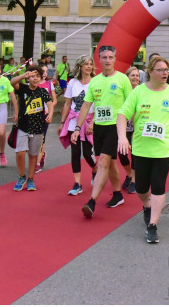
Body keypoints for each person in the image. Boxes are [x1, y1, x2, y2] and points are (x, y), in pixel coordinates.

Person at [117, 56, 169, 243]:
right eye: (160, 70)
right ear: (150, 71)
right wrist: (121, 137)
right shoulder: (139, 92)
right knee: (142, 187)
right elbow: (122, 114)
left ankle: (152, 225)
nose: (165, 73)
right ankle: (146, 205)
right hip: (141, 148)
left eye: (167, 70)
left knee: (158, 185)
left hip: (164, 149)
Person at [73, 45, 132, 217]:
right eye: (104, 57)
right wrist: (78, 127)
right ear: (100, 59)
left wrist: (135, 128)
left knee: (103, 162)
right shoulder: (95, 81)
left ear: (115, 59)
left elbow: (132, 104)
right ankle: (117, 193)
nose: (107, 60)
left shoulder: (122, 79)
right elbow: (86, 105)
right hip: (99, 127)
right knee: (111, 162)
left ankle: (91, 201)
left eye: (110, 57)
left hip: (116, 126)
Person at [58, 56, 97, 196]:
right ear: (80, 66)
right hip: (73, 120)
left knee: (87, 153)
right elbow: (68, 103)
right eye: (86, 64)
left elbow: (99, 104)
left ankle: (95, 169)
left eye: (91, 64)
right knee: (75, 153)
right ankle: (77, 183)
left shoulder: (96, 82)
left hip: (89, 121)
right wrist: (62, 123)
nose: (89, 66)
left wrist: (93, 123)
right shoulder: (73, 83)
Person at [9, 67, 53, 191]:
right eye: (33, 76)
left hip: (38, 127)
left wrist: (50, 113)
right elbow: (12, 83)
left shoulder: (42, 91)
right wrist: (23, 75)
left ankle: (31, 179)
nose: (35, 78)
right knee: (20, 152)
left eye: (37, 76)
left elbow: (50, 103)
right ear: (28, 77)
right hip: (23, 127)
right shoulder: (22, 88)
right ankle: (22, 176)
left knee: (33, 155)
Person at [119, 66, 141, 194]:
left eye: (137, 75)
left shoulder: (141, 90)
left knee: (135, 154)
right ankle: (129, 174)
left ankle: (134, 179)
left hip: (137, 126)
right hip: (124, 125)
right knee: (122, 153)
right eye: (132, 75)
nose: (135, 78)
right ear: (127, 77)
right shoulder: (122, 91)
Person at [35, 64, 57, 173]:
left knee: (41, 137)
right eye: (43, 71)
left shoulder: (49, 84)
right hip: (34, 114)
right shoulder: (32, 83)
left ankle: (38, 162)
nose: (45, 74)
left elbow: (54, 100)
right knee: (33, 138)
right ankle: (41, 154)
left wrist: (49, 109)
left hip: (45, 114)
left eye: (46, 71)